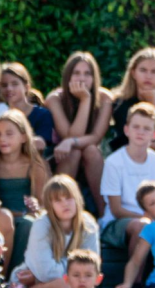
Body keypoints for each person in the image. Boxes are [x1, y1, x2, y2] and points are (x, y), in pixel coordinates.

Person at [13, 175, 100, 288]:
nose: (65, 204)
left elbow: (91, 267)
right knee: (63, 287)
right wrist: (77, 272)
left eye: (69, 198)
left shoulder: (88, 224)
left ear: (77, 199)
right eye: (58, 200)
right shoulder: (41, 225)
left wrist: (38, 277)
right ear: (50, 205)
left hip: (68, 285)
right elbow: (47, 273)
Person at [45, 52, 114, 217]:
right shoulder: (54, 99)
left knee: (91, 150)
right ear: (68, 76)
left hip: (92, 157)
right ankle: (58, 213)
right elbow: (68, 136)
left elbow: (96, 137)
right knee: (74, 152)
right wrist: (85, 100)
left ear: (94, 77)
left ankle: (104, 215)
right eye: (76, 73)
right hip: (62, 156)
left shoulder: (105, 98)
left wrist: (72, 141)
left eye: (87, 74)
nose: (82, 78)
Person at [99, 102, 155, 255]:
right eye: (136, 127)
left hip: (154, 220)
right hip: (117, 224)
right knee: (142, 226)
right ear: (126, 130)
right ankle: (135, 272)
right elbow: (116, 210)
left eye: (147, 128)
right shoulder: (113, 162)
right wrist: (147, 218)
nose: (140, 132)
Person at [0, 110, 48, 274]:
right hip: (1, 215)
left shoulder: (34, 164)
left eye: (9, 134)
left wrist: (35, 205)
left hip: (24, 215)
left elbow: (42, 202)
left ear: (23, 137)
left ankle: (15, 275)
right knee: (4, 220)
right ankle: (0, 275)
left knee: (28, 224)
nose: (2, 139)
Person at [109, 47, 155, 162]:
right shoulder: (120, 101)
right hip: (126, 155)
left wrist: (153, 105)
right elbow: (129, 139)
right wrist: (151, 104)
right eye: (143, 70)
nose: (148, 76)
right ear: (133, 73)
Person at [0, 63, 53, 157]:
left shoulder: (42, 114)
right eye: (4, 85)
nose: (9, 88)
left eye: (15, 84)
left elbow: (41, 144)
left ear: (26, 87)